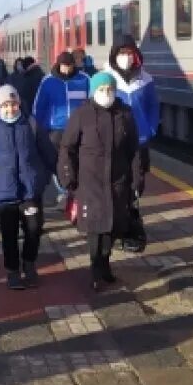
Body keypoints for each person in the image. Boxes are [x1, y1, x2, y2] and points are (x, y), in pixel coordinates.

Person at [59, 72, 145, 290]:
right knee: (95, 229)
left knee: (113, 227)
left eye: (110, 89)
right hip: (90, 182)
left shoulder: (125, 114)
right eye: (101, 90)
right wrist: (68, 176)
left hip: (118, 181)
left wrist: (137, 178)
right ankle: (97, 269)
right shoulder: (82, 114)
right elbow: (67, 147)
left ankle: (104, 263)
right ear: (93, 92)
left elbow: (134, 149)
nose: (106, 93)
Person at [0, 85, 56, 289]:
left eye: (13, 104)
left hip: (30, 189)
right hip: (4, 191)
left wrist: (44, 177)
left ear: (19, 103)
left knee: (34, 229)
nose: (10, 109)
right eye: (5, 105)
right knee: (9, 234)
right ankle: (12, 271)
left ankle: (29, 264)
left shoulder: (31, 124)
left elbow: (48, 153)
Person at [106, 35, 160, 250]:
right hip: (116, 143)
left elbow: (153, 107)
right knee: (117, 184)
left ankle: (130, 223)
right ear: (114, 55)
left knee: (137, 183)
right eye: (121, 53)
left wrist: (151, 129)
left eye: (129, 53)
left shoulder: (145, 80)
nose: (126, 57)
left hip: (139, 141)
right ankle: (119, 227)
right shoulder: (106, 79)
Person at [32, 51, 90, 206]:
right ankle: (64, 193)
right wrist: (41, 129)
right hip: (56, 130)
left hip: (81, 129)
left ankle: (77, 191)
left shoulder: (84, 79)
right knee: (60, 163)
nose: (67, 69)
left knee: (80, 161)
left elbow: (92, 101)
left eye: (70, 66)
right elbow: (39, 107)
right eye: (64, 66)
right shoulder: (48, 81)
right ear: (58, 65)